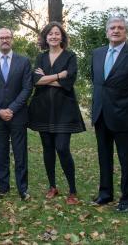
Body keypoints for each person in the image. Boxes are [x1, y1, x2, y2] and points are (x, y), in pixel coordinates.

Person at [28, 22, 85, 205]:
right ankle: (52, 186)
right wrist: (59, 75)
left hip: (64, 110)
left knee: (62, 148)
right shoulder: (41, 57)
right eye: (50, 34)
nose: (53, 36)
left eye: (57, 33)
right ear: (45, 37)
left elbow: (69, 81)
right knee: (48, 149)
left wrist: (47, 78)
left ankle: (73, 190)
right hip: (43, 109)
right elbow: (35, 81)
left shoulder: (70, 56)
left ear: (62, 37)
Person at [0, 28, 32, 201]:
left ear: (12, 40)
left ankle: (22, 189)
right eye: (1, 37)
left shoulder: (24, 62)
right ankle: (3, 188)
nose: (4, 40)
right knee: (1, 153)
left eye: (7, 37)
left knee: (20, 154)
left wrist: (11, 109)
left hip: (17, 116)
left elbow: (27, 88)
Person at [91, 15, 128, 213]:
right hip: (101, 115)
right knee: (104, 157)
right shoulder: (97, 54)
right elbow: (98, 83)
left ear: (126, 32)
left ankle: (127, 199)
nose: (116, 30)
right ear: (107, 32)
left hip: (125, 117)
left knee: (127, 160)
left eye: (120, 28)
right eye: (112, 27)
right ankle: (105, 194)